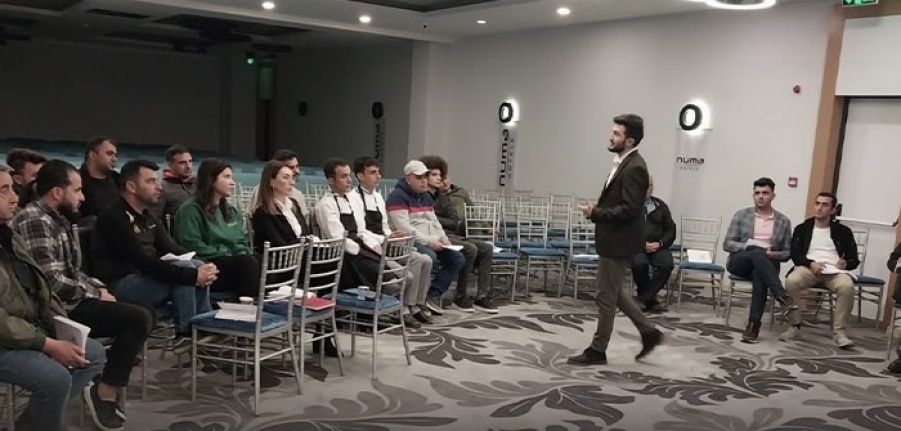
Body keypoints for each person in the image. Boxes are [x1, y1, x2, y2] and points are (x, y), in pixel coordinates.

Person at [11, 159, 153, 430]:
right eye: (77, 190)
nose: (83, 197)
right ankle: (103, 393)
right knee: (137, 319)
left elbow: (73, 271)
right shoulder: (35, 220)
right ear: (57, 192)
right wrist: (94, 294)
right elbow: (50, 282)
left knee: (144, 313)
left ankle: (58, 406)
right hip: (53, 309)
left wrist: (99, 288)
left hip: (69, 300)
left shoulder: (58, 219)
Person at [0, 164, 106, 431]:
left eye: (12, 189)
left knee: (92, 353)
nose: (14, 198)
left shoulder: (8, 236)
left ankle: (33, 422)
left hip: (27, 328)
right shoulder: (27, 223)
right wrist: (47, 344)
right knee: (55, 379)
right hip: (5, 339)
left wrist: (60, 325)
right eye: (4, 191)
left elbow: (41, 287)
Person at [568, 114, 663, 366]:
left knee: (605, 298)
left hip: (618, 241)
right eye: (612, 132)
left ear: (630, 140)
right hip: (613, 238)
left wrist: (596, 213)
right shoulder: (624, 163)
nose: (611, 137)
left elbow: (630, 209)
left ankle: (598, 350)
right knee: (615, 292)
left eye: (616, 134)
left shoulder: (635, 167)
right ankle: (648, 331)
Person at [91, 159, 217, 349]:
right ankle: (185, 333)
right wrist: (192, 275)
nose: (159, 186)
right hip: (119, 285)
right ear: (131, 187)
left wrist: (205, 266)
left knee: (196, 266)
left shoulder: (148, 216)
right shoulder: (113, 218)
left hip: (145, 278)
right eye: (151, 181)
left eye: (157, 180)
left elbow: (172, 248)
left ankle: (202, 326)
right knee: (184, 270)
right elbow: (143, 261)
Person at [351, 156, 434, 324]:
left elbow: (384, 226)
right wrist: (385, 238)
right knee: (412, 268)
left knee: (425, 260)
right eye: (373, 172)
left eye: (378, 172)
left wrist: (392, 235)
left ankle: (416, 304)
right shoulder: (354, 198)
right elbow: (361, 232)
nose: (379, 176)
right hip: (371, 247)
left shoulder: (378, 197)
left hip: (386, 242)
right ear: (360, 176)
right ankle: (404, 307)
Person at [723, 177, 797, 343]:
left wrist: (772, 254)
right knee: (757, 253)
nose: (761, 196)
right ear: (753, 195)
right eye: (757, 193)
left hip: (767, 263)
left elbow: (787, 253)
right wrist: (748, 246)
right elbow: (728, 244)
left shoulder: (783, 221)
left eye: (765, 193)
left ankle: (753, 326)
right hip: (740, 261)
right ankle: (781, 295)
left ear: (773, 196)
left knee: (760, 274)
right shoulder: (741, 215)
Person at [386, 160, 465, 316]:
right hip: (409, 241)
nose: (423, 181)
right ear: (408, 179)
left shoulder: (425, 197)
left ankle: (431, 295)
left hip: (431, 240)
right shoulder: (397, 197)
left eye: (424, 177)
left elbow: (434, 221)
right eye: (419, 177)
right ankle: (414, 302)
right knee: (429, 257)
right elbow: (405, 228)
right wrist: (430, 242)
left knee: (457, 258)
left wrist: (444, 239)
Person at [780, 192, 857, 348]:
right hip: (809, 268)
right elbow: (795, 254)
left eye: (825, 205)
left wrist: (846, 263)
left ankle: (839, 332)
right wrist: (810, 263)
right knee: (792, 281)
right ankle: (795, 325)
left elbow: (853, 259)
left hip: (834, 270)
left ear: (833, 210)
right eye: (817, 203)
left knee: (847, 287)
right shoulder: (802, 228)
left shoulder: (843, 231)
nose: (819, 208)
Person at [173, 158, 260, 298]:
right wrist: (225, 252)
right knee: (248, 264)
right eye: (227, 177)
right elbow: (191, 245)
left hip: (231, 260)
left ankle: (266, 304)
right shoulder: (190, 210)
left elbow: (240, 240)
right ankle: (248, 305)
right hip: (206, 265)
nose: (232, 182)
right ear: (211, 180)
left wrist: (242, 252)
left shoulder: (230, 210)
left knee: (262, 261)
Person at [423, 155, 498, 313]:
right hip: (436, 236)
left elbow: (454, 220)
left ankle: (482, 295)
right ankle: (460, 295)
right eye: (435, 175)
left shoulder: (443, 198)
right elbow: (428, 221)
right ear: (425, 176)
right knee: (470, 249)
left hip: (452, 234)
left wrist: (437, 218)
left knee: (487, 248)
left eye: (440, 175)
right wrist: (439, 220)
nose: (439, 178)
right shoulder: (422, 197)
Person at [314, 158, 388, 295]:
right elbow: (338, 238)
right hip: (344, 256)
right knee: (379, 273)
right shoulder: (325, 204)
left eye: (349, 175)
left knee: (387, 269)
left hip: (360, 248)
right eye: (343, 176)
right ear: (331, 180)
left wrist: (373, 245)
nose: (349, 180)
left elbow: (361, 230)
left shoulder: (353, 200)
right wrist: (361, 250)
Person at [629, 176, 676, 314]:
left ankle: (644, 298)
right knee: (639, 264)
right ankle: (651, 300)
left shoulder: (660, 206)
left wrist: (660, 243)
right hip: (636, 246)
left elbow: (670, 230)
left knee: (667, 264)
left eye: (650, 186)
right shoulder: (630, 207)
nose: (648, 189)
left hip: (658, 246)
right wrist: (641, 244)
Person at [246, 149, 309, 220]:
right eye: (291, 168)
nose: (297, 171)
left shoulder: (298, 195)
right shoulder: (261, 191)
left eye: (297, 166)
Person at [149, 144, 195, 221]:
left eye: (190, 161)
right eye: (182, 163)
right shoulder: (161, 188)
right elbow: (154, 219)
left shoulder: (199, 183)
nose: (188, 166)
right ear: (170, 164)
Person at [79, 136, 120, 219]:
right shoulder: (77, 181)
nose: (114, 159)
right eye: (109, 154)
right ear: (93, 155)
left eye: (115, 155)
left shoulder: (117, 179)